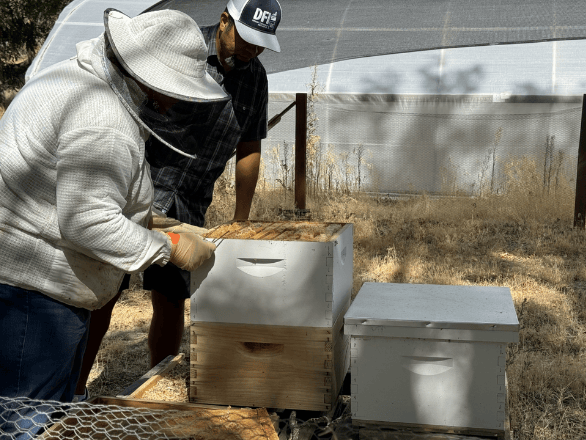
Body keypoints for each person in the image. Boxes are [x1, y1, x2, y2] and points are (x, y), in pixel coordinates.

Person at [0, 8, 225, 438]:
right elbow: (86, 221)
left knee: (45, 418)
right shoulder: (103, 118)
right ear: (153, 76)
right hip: (34, 294)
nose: (175, 102)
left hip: (23, 284)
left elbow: (70, 189)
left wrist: (153, 221)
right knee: (25, 425)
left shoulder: (76, 79)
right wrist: (169, 246)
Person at [73, 0, 282, 400]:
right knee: (103, 291)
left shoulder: (255, 79)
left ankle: (156, 385)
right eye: (246, 39)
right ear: (224, 21)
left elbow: (249, 145)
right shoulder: (179, 47)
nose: (251, 51)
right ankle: (74, 389)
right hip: (139, 187)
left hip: (190, 200)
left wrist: (241, 219)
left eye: (260, 45)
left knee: (172, 297)